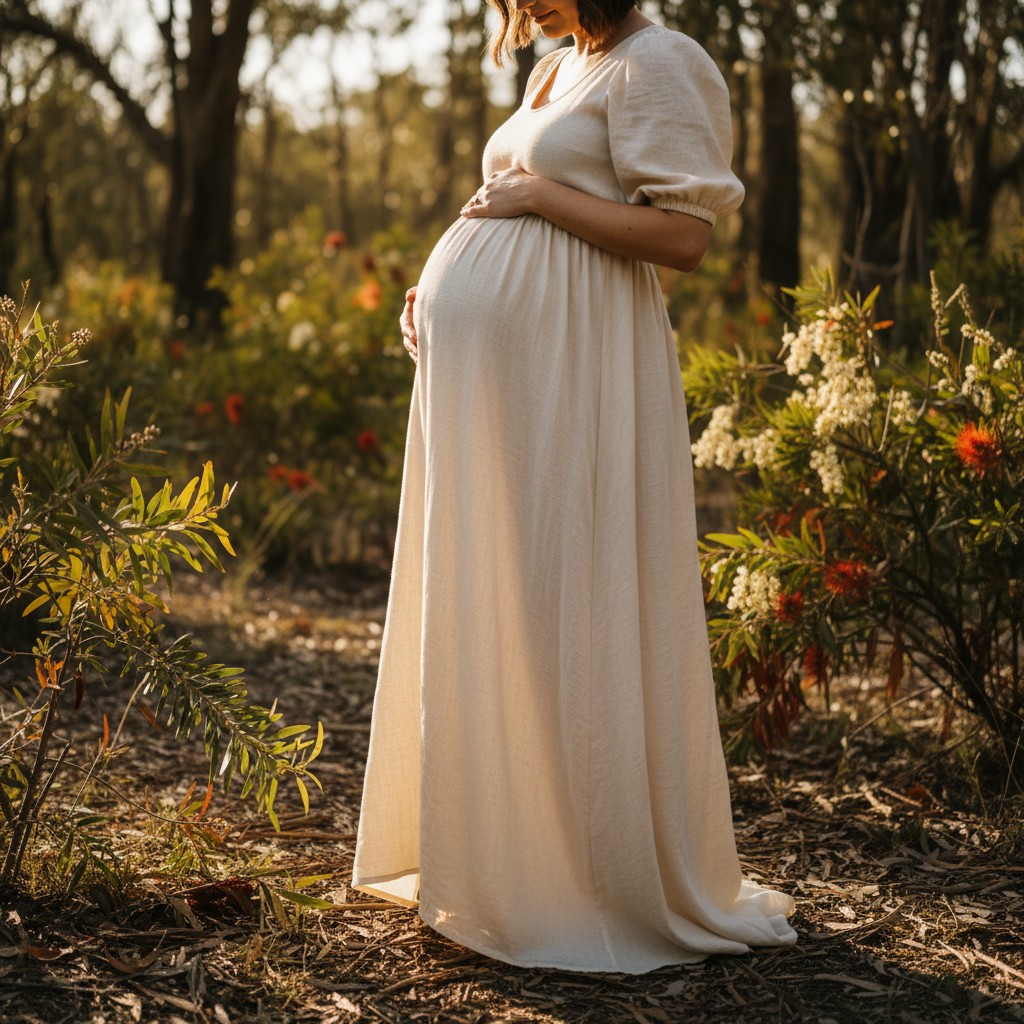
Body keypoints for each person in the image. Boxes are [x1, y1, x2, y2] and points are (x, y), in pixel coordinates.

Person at [352, 0, 798, 973]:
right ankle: (495, 849)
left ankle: (581, 870)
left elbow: (681, 239)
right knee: (496, 591)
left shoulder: (662, 60)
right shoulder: (555, 68)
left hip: (577, 365)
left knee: (565, 588)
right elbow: (509, 201)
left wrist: (532, 204)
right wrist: (437, 291)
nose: (529, 6)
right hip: (498, 380)